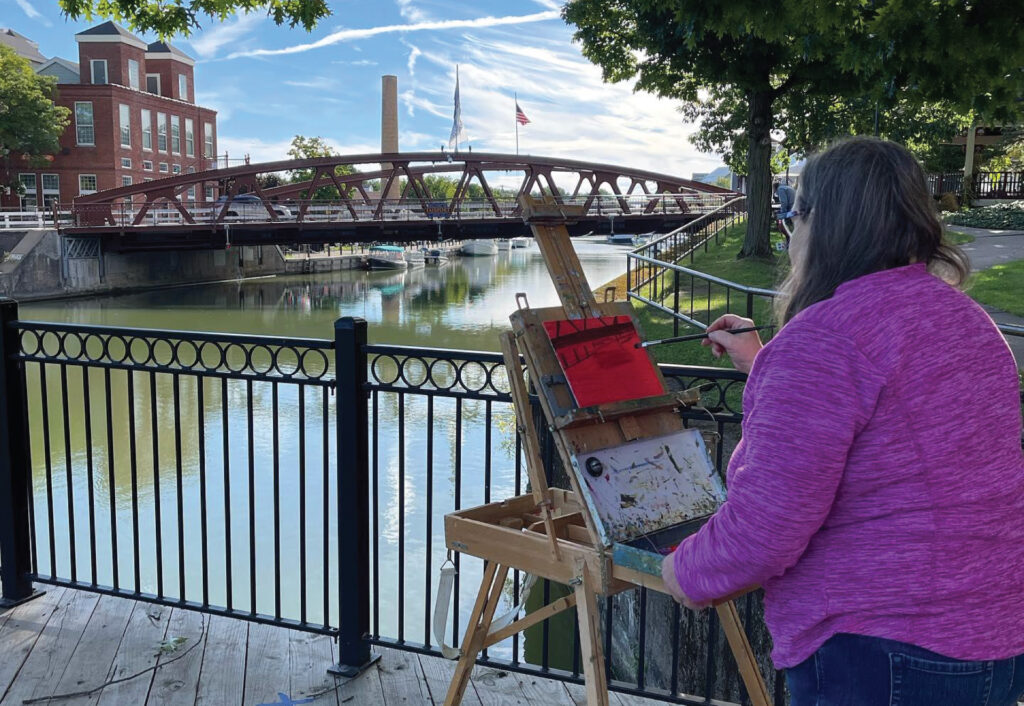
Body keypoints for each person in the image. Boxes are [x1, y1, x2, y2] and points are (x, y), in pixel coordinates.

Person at [660, 137, 1024, 705]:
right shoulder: (968, 320)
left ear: (824, 223)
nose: (789, 231)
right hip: (991, 637)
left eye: (793, 212)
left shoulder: (826, 340)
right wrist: (763, 362)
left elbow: (767, 528)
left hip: (880, 648)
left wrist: (683, 573)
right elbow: (896, 428)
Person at [774, 180, 796, 248]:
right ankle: (789, 241)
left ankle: (789, 241)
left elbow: (784, 203)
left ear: (775, 188)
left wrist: (782, 214)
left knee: (780, 222)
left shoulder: (780, 189)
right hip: (795, 209)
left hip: (792, 211)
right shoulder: (786, 187)